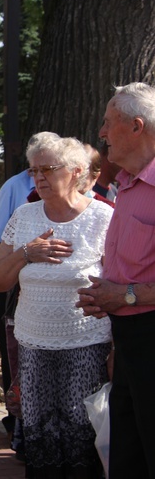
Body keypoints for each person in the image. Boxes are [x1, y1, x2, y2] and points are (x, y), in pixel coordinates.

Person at [0, 135, 113, 477]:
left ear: (76, 172)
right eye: (33, 171)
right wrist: (26, 253)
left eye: (47, 169)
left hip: (87, 345)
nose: (39, 178)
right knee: (39, 437)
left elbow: (117, 283)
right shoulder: (25, 216)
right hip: (33, 345)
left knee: (81, 434)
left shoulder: (103, 218)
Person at [77, 82, 155, 478]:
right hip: (128, 341)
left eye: (109, 123)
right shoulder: (125, 182)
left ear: (136, 126)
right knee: (127, 456)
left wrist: (123, 295)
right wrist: (108, 295)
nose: (102, 133)